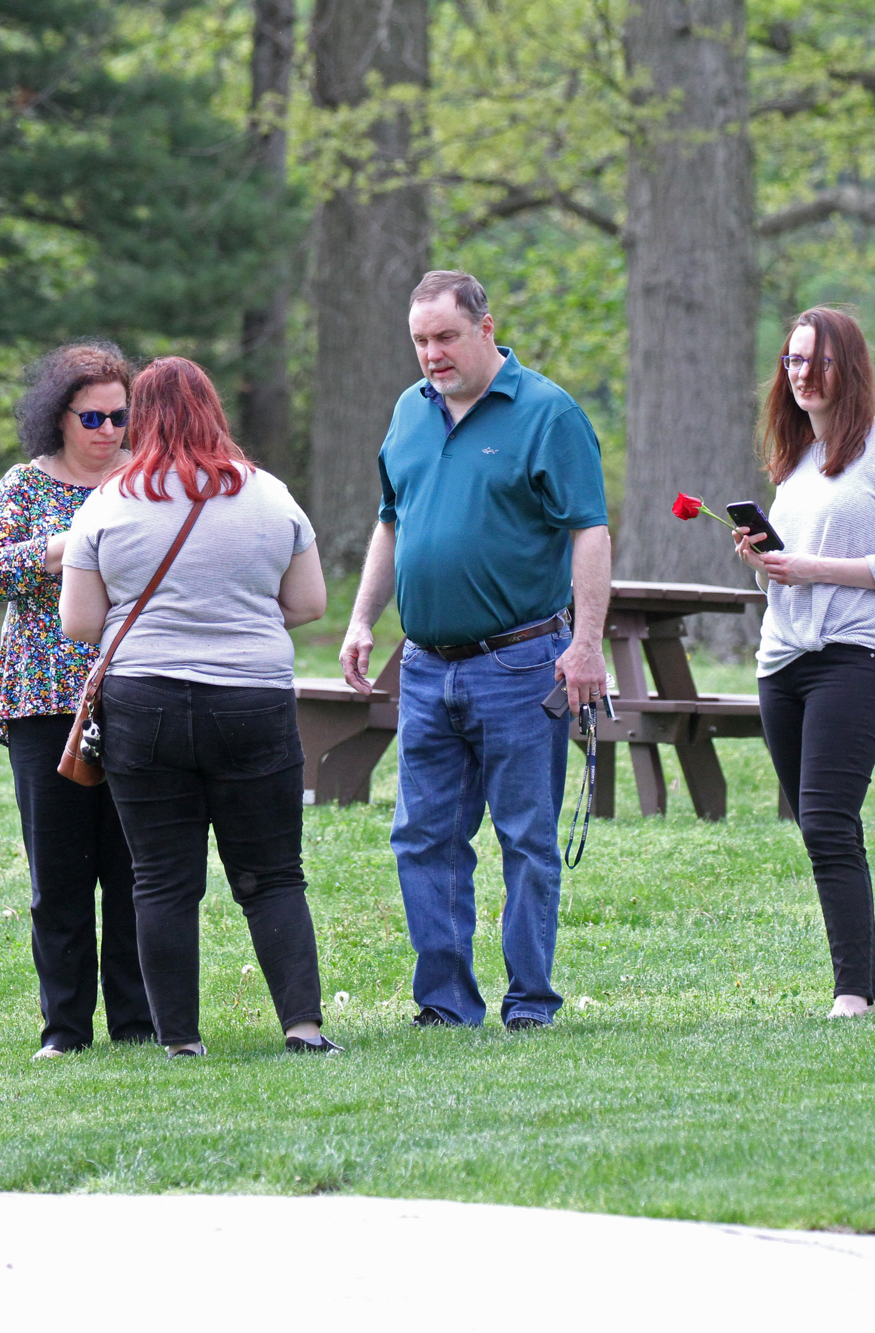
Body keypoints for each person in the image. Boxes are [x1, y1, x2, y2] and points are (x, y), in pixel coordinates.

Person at [339, 270, 611, 1032]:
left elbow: (590, 528)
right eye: (420, 340)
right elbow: (392, 521)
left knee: (526, 837)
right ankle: (446, 1003)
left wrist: (586, 644)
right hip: (425, 664)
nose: (432, 354)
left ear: (486, 328)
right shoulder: (408, 411)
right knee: (423, 837)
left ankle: (530, 1002)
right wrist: (363, 619)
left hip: (521, 661)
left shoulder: (547, 413)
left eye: (446, 337)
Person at [60, 356, 334, 1058]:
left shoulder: (110, 501)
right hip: (253, 700)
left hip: (143, 702)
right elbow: (307, 603)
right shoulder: (271, 496)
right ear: (215, 411)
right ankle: (302, 1026)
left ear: (140, 420)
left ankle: (180, 1038)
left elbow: (80, 623)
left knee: (160, 878)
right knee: (273, 872)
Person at [732, 308, 875, 1017]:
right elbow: (790, 575)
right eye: (792, 361)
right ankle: (865, 983)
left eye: (816, 362)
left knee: (825, 819)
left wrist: (814, 567)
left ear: (847, 369)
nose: (801, 375)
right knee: (822, 823)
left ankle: (850, 994)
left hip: (860, 657)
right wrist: (766, 565)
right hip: (782, 661)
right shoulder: (793, 465)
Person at [0, 342, 152, 1058]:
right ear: (60, 416)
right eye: (93, 416)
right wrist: (63, 545)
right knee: (60, 873)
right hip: (44, 700)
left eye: (120, 415)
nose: (109, 430)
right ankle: (66, 1030)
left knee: (136, 870)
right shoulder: (24, 484)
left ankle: (138, 1022)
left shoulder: (145, 483)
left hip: (137, 689)